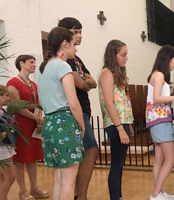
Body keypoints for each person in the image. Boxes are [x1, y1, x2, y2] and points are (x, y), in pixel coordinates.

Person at [37, 27, 85, 200]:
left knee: (59, 180)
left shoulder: (43, 68)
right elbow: (73, 103)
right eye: (73, 44)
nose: (75, 48)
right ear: (65, 44)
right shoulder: (62, 66)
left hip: (49, 123)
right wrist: (82, 125)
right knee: (68, 182)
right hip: (63, 123)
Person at [58, 17, 99, 200]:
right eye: (75, 32)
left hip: (84, 110)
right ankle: (80, 195)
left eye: (80, 31)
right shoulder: (66, 59)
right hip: (76, 111)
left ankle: (78, 194)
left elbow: (92, 82)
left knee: (85, 153)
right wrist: (85, 82)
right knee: (90, 150)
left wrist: (86, 82)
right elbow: (81, 85)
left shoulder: (77, 58)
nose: (79, 36)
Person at [146, 45, 174, 200]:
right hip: (160, 121)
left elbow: (160, 97)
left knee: (159, 159)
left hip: (156, 120)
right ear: (167, 59)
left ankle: (158, 193)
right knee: (171, 159)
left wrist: (172, 89)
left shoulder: (158, 75)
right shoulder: (158, 75)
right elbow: (157, 99)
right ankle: (155, 195)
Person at [6, 55, 48, 200]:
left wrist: (39, 120)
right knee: (20, 158)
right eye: (31, 62)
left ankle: (34, 188)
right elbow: (17, 107)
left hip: (33, 123)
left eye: (35, 62)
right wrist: (36, 118)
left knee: (32, 157)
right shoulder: (12, 83)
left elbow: (38, 103)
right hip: (20, 124)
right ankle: (23, 191)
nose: (35, 65)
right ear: (21, 64)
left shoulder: (34, 84)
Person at [98, 40, 134, 200]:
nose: (126, 58)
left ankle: (118, 196)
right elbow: (108, 102)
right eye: (123, 55)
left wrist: (129, 124)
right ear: (113, 55)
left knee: (119, 165)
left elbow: (124, 101)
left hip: (122, 122)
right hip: (115, 123)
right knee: (116, 165)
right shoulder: (107, 73)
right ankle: (115, 197)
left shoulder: (117, 74)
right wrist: (120, 128)